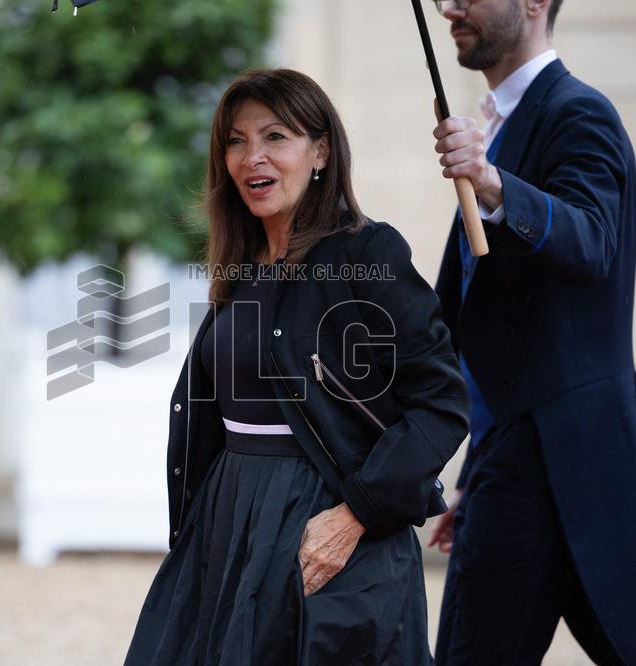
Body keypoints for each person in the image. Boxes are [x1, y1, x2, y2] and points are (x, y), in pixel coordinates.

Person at [123, 68, 469, 665]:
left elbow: (441, 403)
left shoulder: (368, 252)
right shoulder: (242, 263)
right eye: (235, 140)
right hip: (228, 522)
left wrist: (357, 513)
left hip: (327, 523)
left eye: (275, 136)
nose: (251, 156)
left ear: (320, 151)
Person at [425, 1, 636, 664]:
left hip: (581, 462)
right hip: (509, 464)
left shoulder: (578, 112)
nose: (450, 6)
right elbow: (472, 322)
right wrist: (472, 475)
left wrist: (488, 179)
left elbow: (591, 243)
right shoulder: (495, 130)